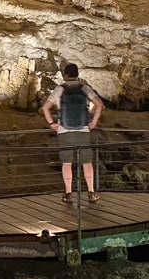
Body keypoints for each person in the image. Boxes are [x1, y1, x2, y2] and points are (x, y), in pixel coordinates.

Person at [42, 63, 104, 204]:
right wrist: (93, 122)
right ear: (77, 74)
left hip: (64, 130)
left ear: (66, 75)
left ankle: (68, 193)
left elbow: (45, 108)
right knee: (87, 163)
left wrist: (53, 124)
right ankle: (91, 193)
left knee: (67, 163)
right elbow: (99, 105)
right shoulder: (84, 88)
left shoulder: (60, 89)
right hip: (83, 129)